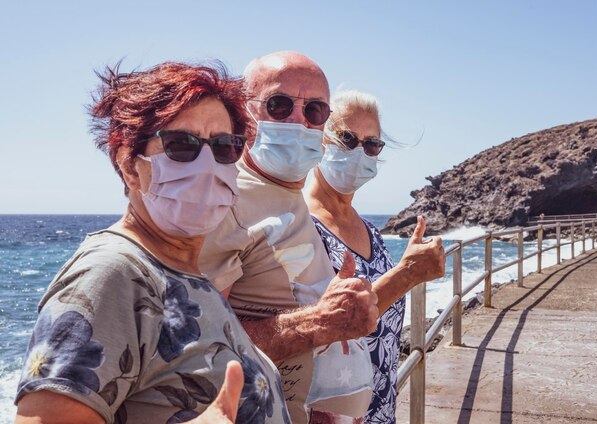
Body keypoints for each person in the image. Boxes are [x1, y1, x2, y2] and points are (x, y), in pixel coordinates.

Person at [15, 62, 290, 424]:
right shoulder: (111, 274)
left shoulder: (182, 274)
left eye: (224, 147)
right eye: (181, 145)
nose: (207, 165)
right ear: (130, 165)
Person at [199, 52, 445, 423]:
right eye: (279, 105)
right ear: (243, 113)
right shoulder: (222, 200)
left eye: (314, 111)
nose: (298, 122)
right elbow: (198, 348)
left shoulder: (290, 200)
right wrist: (406, 275)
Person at [304, 89, 444, 423]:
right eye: (348, 138)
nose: (360, 151)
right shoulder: (298, 225)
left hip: (382, 411)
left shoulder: (372, 232)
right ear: (321, 140)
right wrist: (407, 274)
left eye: (371, 144)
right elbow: (319, 329)